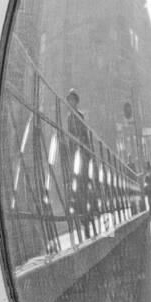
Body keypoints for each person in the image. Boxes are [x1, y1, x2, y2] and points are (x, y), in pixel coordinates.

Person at [65, 88, 94, 239]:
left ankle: (88, 216)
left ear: (76, 101)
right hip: (75, 156)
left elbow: (85, 136)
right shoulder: (69, 118)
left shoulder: (80, 116)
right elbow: (69, 138)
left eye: (73, 100)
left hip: (83, 155)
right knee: (77, 187)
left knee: (85, 185)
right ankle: (83, 218)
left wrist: (88, 153)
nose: (71, 102)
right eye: (69, 100)